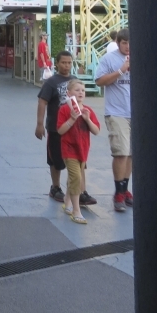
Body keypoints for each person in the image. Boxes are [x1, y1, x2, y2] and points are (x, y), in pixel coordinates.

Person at [35, 51, 95, 208]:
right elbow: (42, 102)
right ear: (57, 64)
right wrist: (40, 124)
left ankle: (82, 192)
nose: (66, 65)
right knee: (56, 160)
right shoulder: (51, 82)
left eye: (69, 63)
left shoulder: (75, 81)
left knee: (80, 160)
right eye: (63, 62)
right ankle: (55, 187)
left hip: (76, 130)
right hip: (57, 127)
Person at [95, 28, 133, 212]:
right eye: (124, 43)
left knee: (131, 153)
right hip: (117, 112)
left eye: (130, 43)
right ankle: (118, 191)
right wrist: (120, 71)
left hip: (135, 112)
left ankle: (125, 189)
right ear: (118, 43)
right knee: (121, 152)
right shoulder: (109, 59)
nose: (127, 46)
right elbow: (99, 81)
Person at [56, 79, 100, 224]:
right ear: (69, 93)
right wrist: (72, 119)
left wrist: (87, 120)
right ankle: (76, 210)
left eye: (83, 90)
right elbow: (60, 130)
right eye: (77, 90)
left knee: (73, 177)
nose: (81, 92)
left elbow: (96, 131)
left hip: (83, 150)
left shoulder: (88, 110)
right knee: (76, 177)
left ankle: (67, 200)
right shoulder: (64, 110)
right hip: (69, 149)